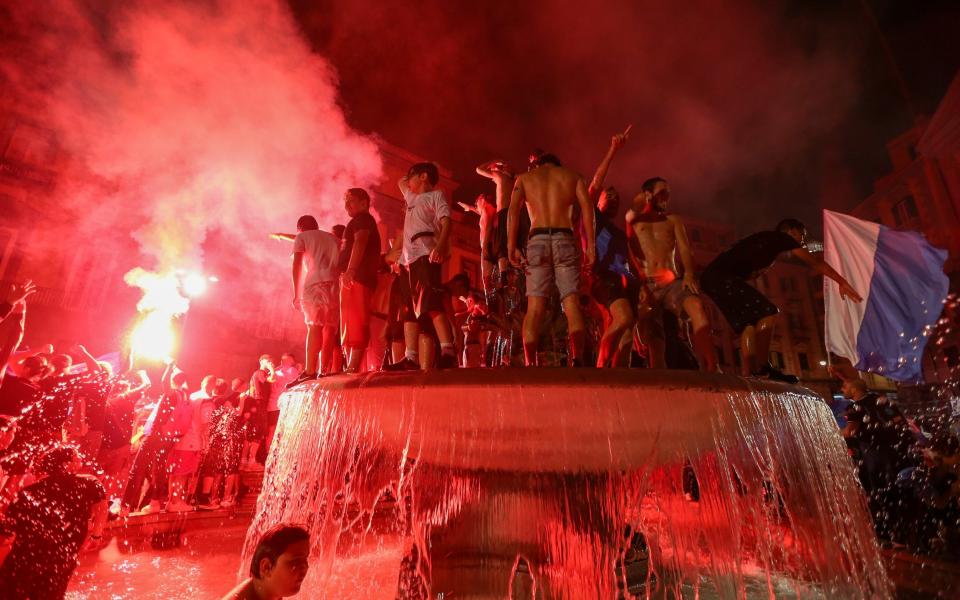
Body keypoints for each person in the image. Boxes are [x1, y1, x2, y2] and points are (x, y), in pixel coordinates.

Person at [700, 219, 862, 382]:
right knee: (768, 312)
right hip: (721, 277)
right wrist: (842, 281)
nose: (803, 242)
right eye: (802, 236)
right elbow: (815, 263)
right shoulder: (781, 238)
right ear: (791, 232)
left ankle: (749, 372)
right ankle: (763, 368)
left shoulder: (763, 242)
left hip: (710, 279)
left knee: (747, 324)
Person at [507, 153, 595, 366]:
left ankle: (530, 363)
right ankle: (579, 359)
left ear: (538, 165)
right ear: (558, 164)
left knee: (534, 307)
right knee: (571, 302)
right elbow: (587, 210)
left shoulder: (525, 179)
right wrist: (590, 246)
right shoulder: (573, 177)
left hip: (537, 241)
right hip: (564, 237)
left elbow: (513, 213)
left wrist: (511, 247)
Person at [626, 177, 717, 372]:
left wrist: (689, 274)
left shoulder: (673, 220)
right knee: (653, 333)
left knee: (696, 305)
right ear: (649, 195)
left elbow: (685, 249)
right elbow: (629, 253)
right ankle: (659, 372)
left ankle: (712, 365)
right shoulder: (634, 221)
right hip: (648, 285)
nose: (667, 197)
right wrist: (640, 285)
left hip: (672, 282)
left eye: (669, 193)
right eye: (662, 192)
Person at [0, 445, 106, 600]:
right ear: (66, 463)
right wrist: (96, 536)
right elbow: (102, 507)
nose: (80, 458)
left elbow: (6, 535)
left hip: (24, 560)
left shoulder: (28, 493)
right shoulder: (90, 484)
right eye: (76, 456)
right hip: (61, 558)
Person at [386, 162, 458, 370]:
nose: (408, 182)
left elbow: (447, 223)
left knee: (431, 303)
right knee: (409, 308)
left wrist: (441, 245)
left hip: (426, 253)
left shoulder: (436, 196)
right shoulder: (412, 197)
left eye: (413, 176)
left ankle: (447, 350)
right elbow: (400, 181)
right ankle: (411, 356)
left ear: (424, 176)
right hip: (408, 260)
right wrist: (410, 177)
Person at [583, 128, 637, 367]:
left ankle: (620, 377)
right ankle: (601, 371)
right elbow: (596, 181)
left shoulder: (618, 233)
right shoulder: (591, 217)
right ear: (599, 200)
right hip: (600, 277)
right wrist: (613, 150)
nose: (613, 196)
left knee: (626, 330)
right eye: (609, 195)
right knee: (623, 317)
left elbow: (629, 264)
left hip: (620, 281)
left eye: (617, 196)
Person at [120, 362, 189, 515]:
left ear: (172, 379)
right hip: (168, 438)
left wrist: (169, 366)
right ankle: (155, 502)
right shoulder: (183, 396)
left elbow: (164, 382)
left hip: (155, 436)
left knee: (137, 469)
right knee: (158, 470)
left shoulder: (171, 394)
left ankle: (125, 506)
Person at [287, 216, 341, 385]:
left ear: (299, 228)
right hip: (334, 284)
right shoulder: (333, 238)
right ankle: (324, 369)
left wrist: (296, 293)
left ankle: (310, 370)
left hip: (314, 284)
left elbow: (296, 264)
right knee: (330, 328)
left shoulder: (301, 237)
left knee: (314, 326)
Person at [338, 188, 382, 374]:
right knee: (350, 321)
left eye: (351, 200)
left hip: (358, 278)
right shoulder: (357, 221)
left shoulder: (363, 220)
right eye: (345, 201)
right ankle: (352, 365)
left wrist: (351, 270)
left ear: (364, 202)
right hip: (354, 278)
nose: (347, 205)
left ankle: (354, 365)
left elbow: (360, 241)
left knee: (356, 320)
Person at [167, 374, 216, 511]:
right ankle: (177, 503)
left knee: (175, 472)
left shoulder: (192, 396)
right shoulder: (207, 400)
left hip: (181, 438)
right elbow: (206, 424)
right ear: (213, 386)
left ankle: (172, 501)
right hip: (193, 441)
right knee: (183, 473)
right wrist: (206, 443)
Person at [221, 524, 310, 600]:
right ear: (266, 567)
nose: (305, 567)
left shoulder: (267, 592)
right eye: (296, 560)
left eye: (305, 559)